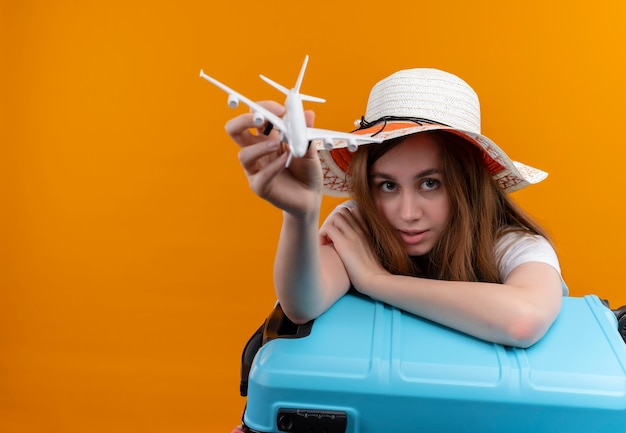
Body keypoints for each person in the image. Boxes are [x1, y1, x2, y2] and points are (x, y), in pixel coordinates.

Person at [226, 67, 566, 350]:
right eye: (388, 185)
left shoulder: (512, 244)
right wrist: (300, 216)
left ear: (468, 183)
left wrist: (376, 281)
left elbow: (524, 319)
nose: (407, 213)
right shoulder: (361, 224)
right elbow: (301, 306)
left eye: (430, 183)